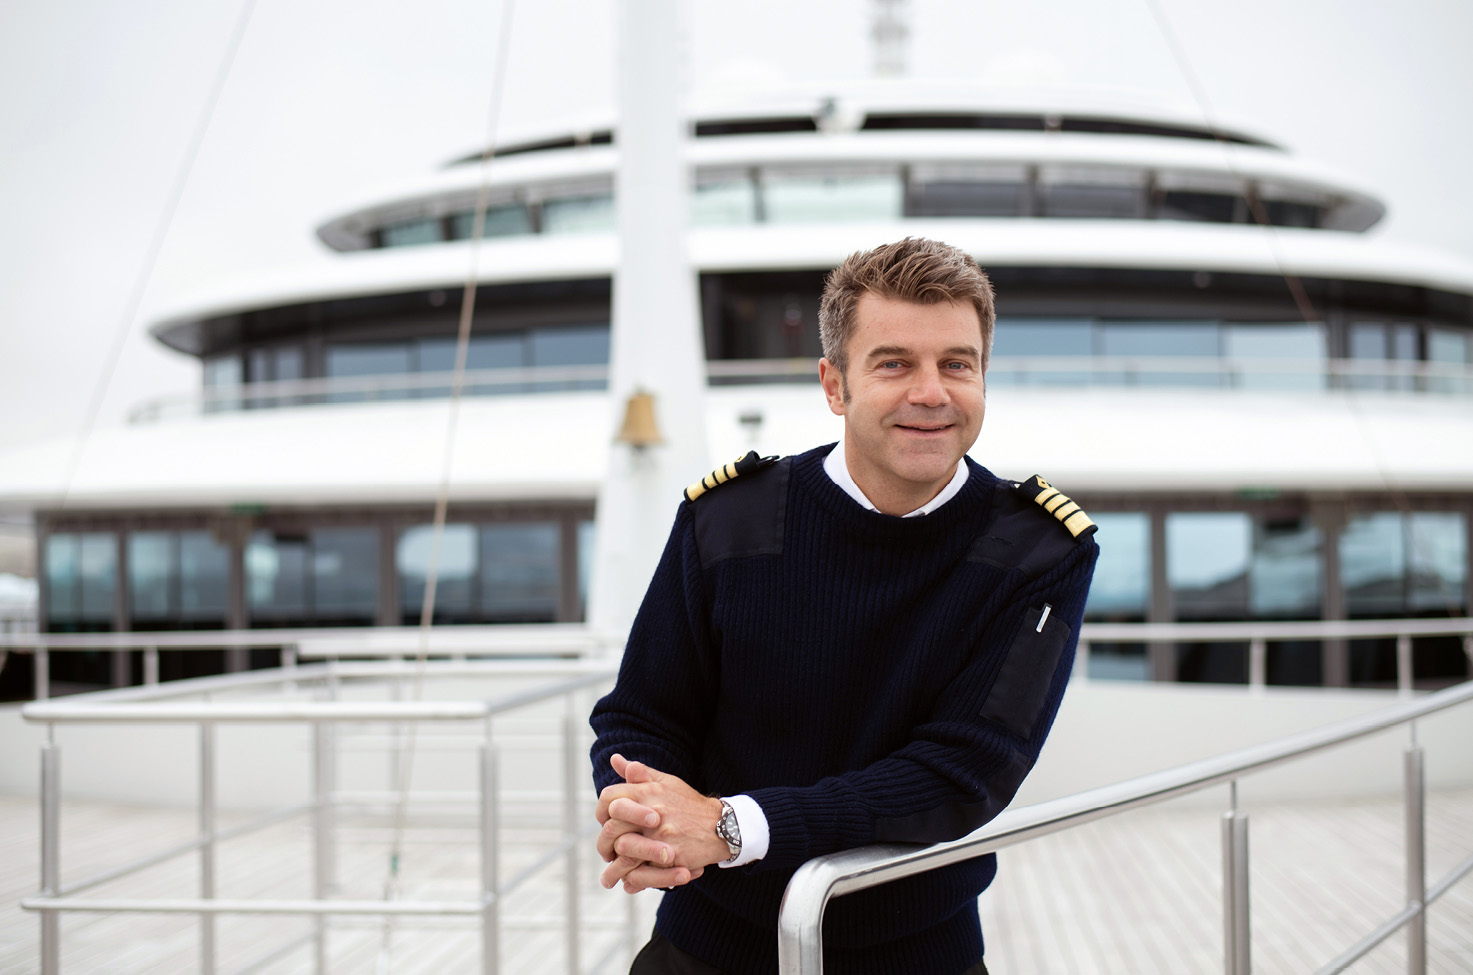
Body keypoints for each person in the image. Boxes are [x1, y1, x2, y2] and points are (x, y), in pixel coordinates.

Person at [590, 236, 1099, 975]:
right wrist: (642, 816)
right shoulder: (729, 519)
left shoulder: (1038, 551)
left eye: (957, 363)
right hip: (707, 947)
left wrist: (732, 827)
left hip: (917, 956)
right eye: (893, 363)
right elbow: (643, 713)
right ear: (835, 385)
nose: (931, 391)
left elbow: (961, 771)